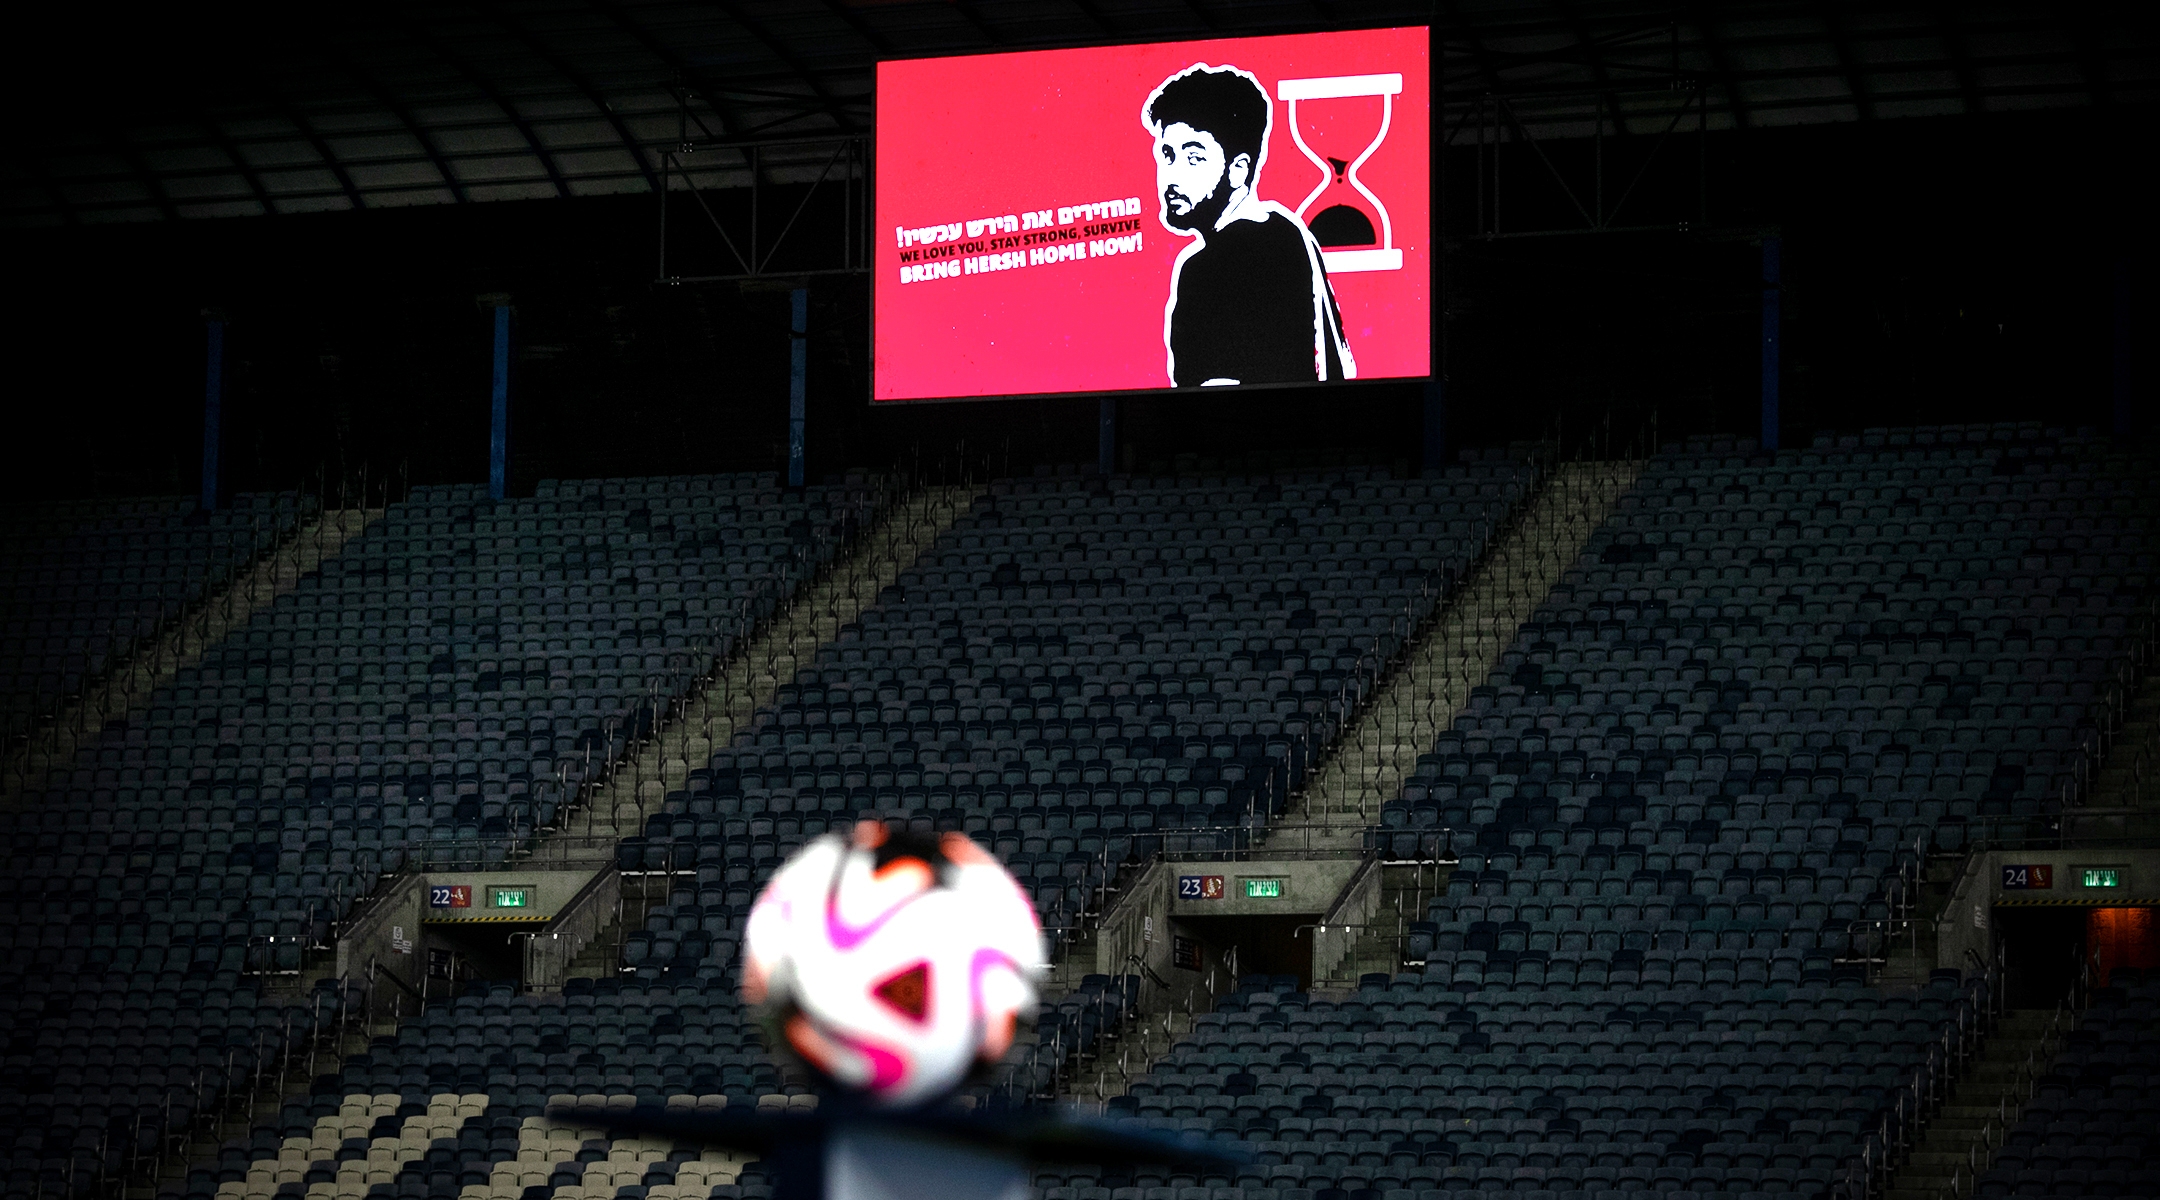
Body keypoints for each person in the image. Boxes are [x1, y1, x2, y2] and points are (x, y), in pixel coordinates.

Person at [1142, 63, 1355, 389]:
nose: (1172, 176)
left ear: (1238, 170)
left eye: (1194, 157)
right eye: (1168, 155)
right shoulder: (1289, 233)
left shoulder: (1213, 262)